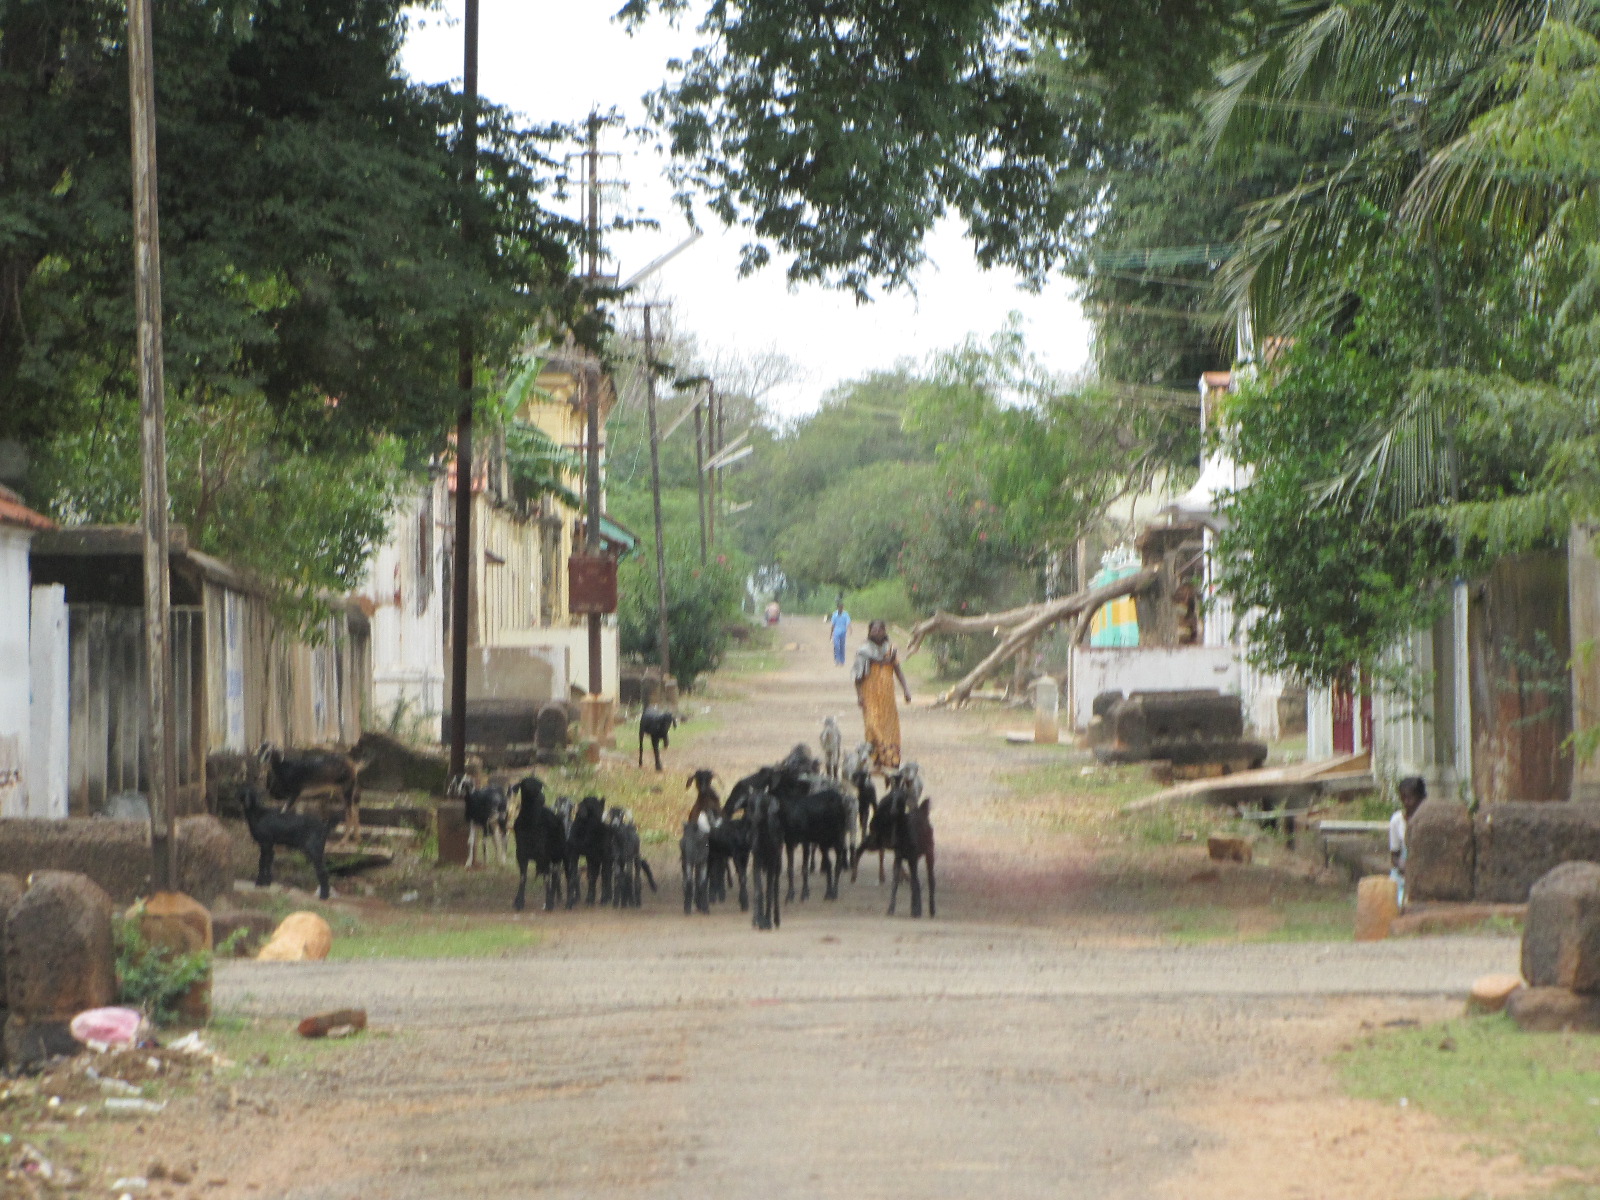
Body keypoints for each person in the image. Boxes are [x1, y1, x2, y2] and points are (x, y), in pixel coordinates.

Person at [853, 619, 912, 771]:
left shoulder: (890, 650)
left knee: (889, 727)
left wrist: (906, 690)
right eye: (874, 630)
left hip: (887, 697)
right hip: (869, 696)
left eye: (880, 630)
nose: (877, 633)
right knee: (872, 725)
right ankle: (874, 758)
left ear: (885, 632)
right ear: (869, 632)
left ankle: (891, 758)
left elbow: (898, 671)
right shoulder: (863, 651)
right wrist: (859, 696)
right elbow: (857, 678)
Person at [1390, 775, 1427, 906]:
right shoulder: (1397, 821)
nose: (1406, 802)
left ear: (1422, 798)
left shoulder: (1428, 821)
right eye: (1403, 798)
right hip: (1403, 877)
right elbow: (1394, 855)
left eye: (1411, 798)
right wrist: (1403, 866)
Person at [826, 598, 852, 666]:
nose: (841, 608)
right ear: (837, 608)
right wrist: (831, 635)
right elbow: (833, 625)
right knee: (836, 646)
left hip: (843, 632)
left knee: (842, 646)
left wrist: (850, 629)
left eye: (842, 607)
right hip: (836, 633)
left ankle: (842, 661)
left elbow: (848, 622)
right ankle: (837, 660)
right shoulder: (834, 615)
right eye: (840, 607)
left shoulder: (845, 614)